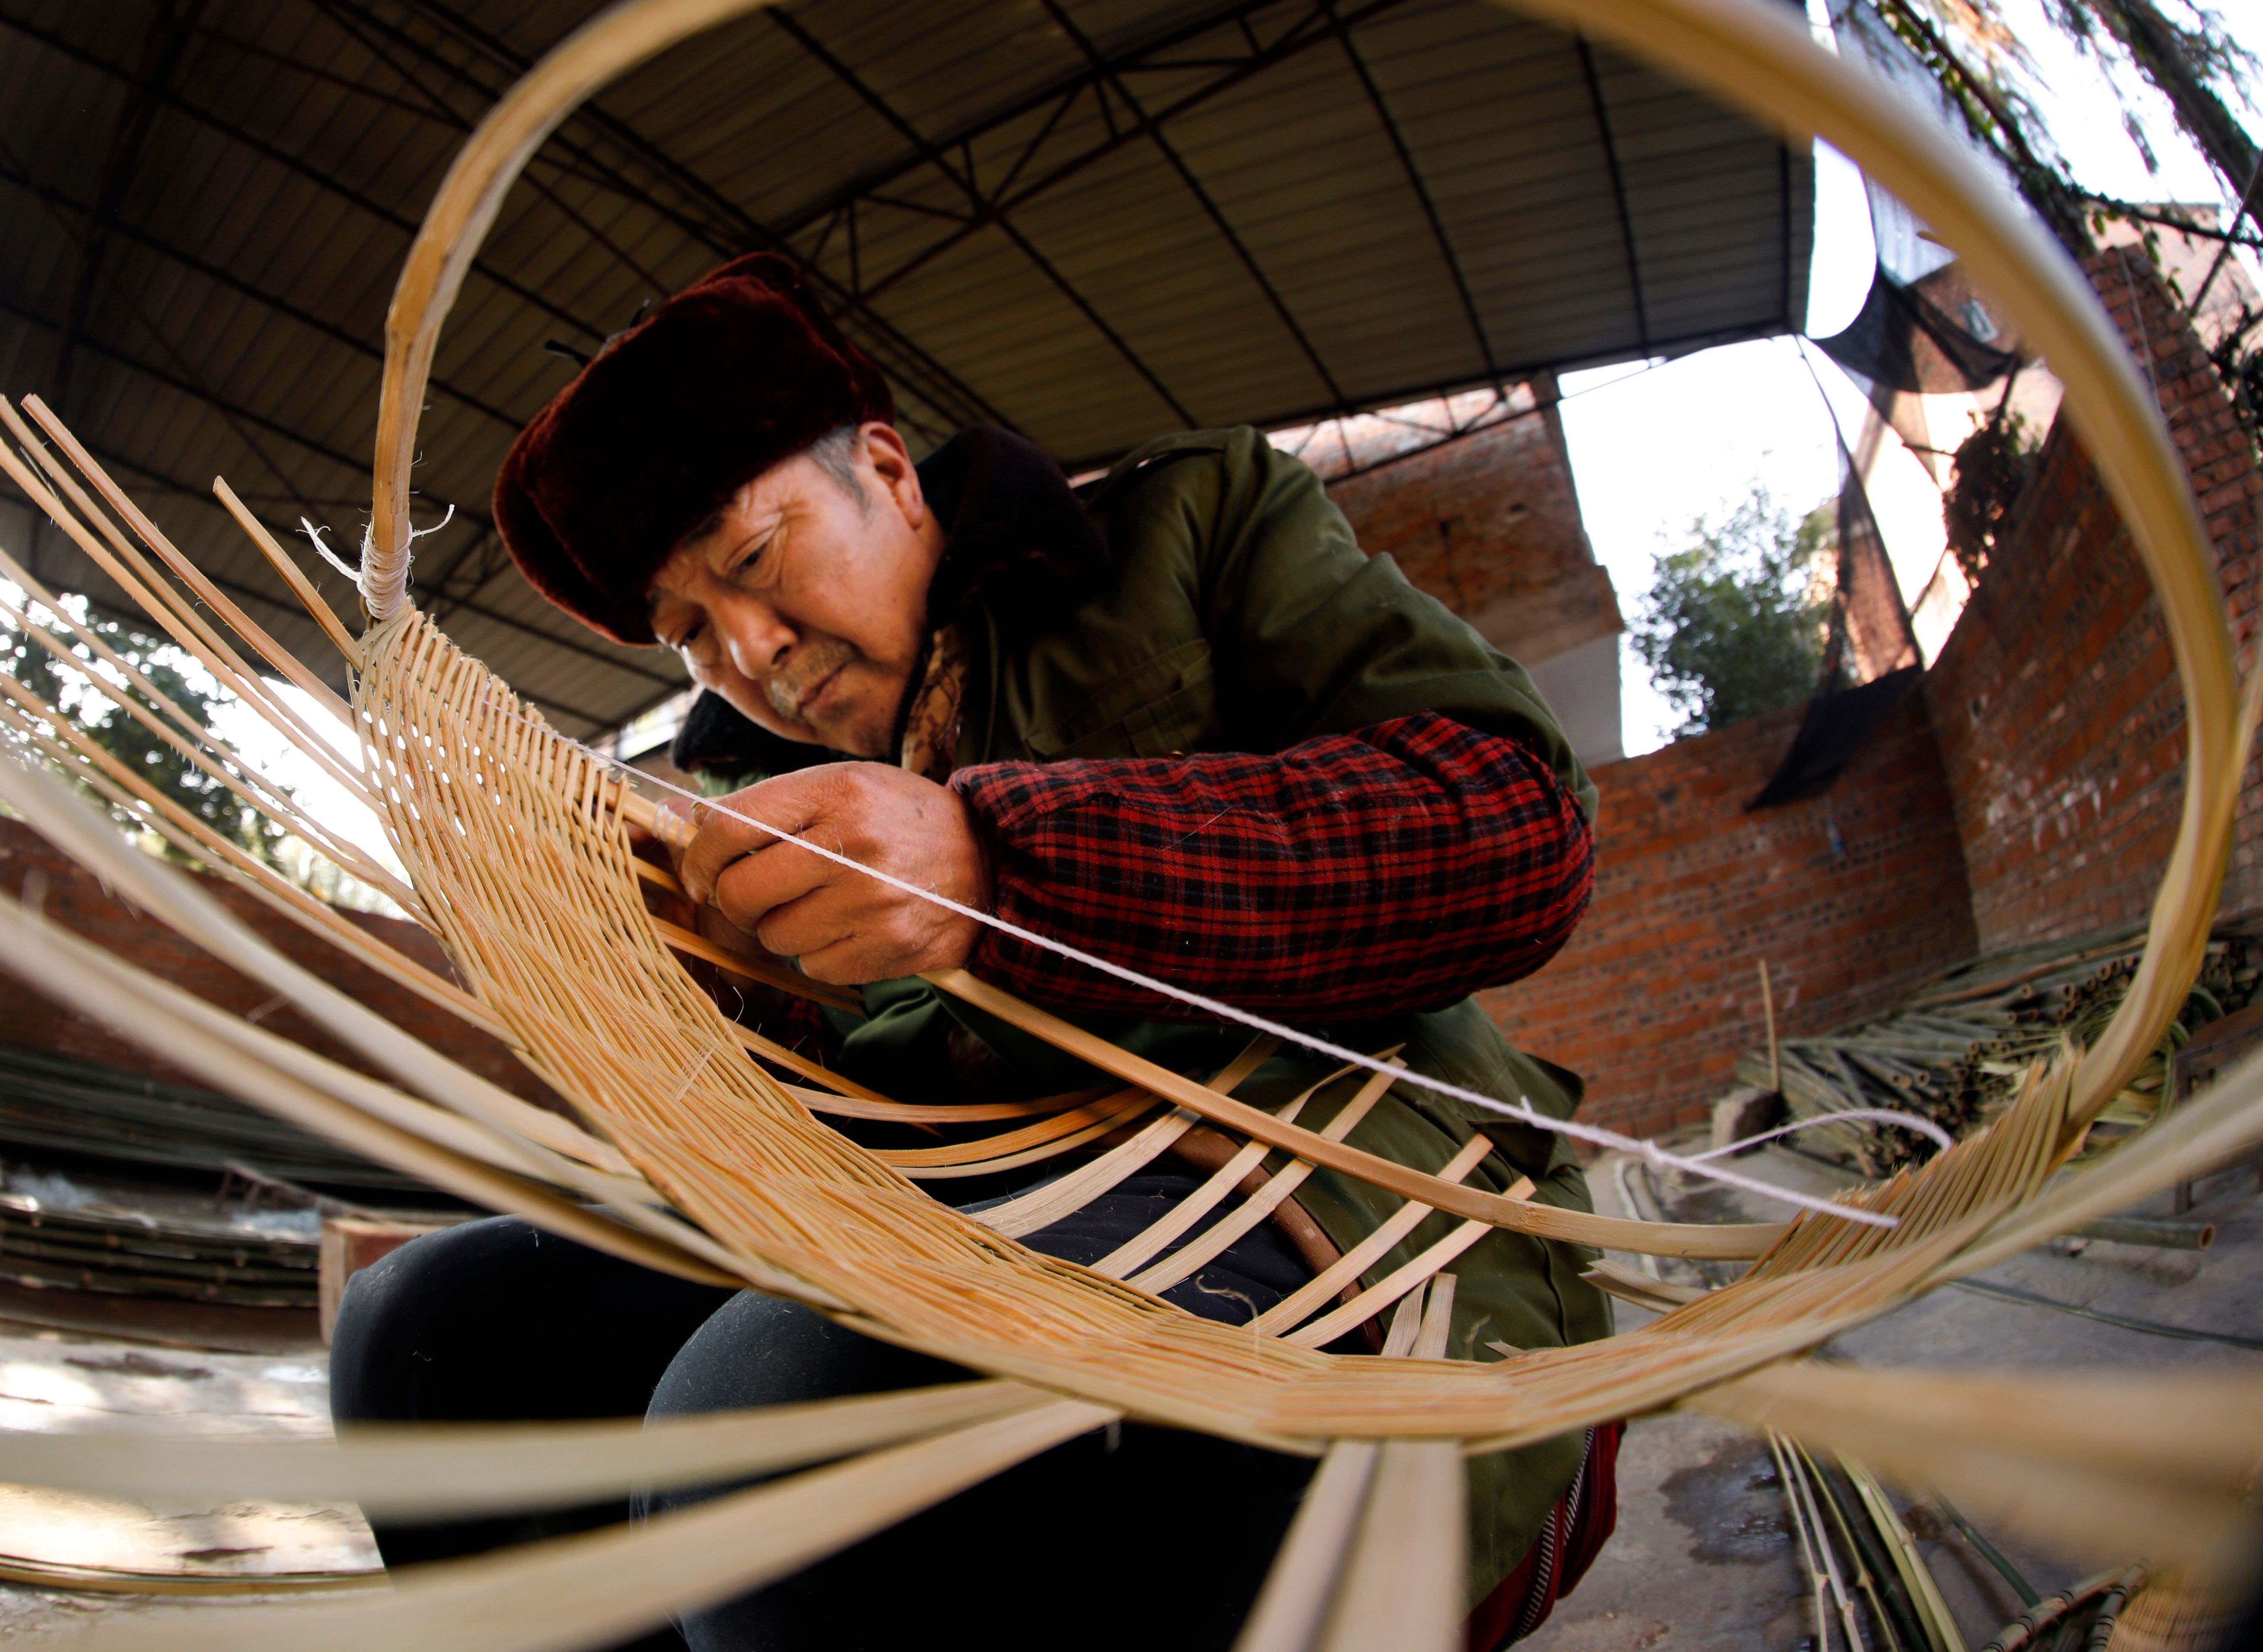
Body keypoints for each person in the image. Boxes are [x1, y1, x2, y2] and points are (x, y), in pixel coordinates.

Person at [331, 253, 1619, 1651]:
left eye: (755, 562)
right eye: (690, 631)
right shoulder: (743, 806)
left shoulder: (1191, 526)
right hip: (949, 1218)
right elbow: (805, 1140)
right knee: (433, 1336)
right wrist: (677, 995)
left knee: (767, 1437)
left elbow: (1518, 829)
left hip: (1324, 1209)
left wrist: (997, 865)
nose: (750, 653)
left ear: (886, 470)